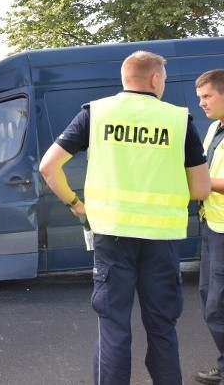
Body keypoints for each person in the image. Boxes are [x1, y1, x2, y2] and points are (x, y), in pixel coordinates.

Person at [39, 50, 211, 385]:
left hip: (112, 236)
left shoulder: (97, 113)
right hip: (161, 239)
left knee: (113, 327)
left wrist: (77, 204)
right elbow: (201, 188)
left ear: (125, 78)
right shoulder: (177, 120)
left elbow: (48, 167)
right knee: (162, 328)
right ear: (155, 79)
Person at [196, 69, 224, 385]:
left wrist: (197, 182)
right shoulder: (213, 128)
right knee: (207, 296)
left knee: (219, 306)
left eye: (207, 96)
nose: (202, 103)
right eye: (200, 97)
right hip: (211, 224)